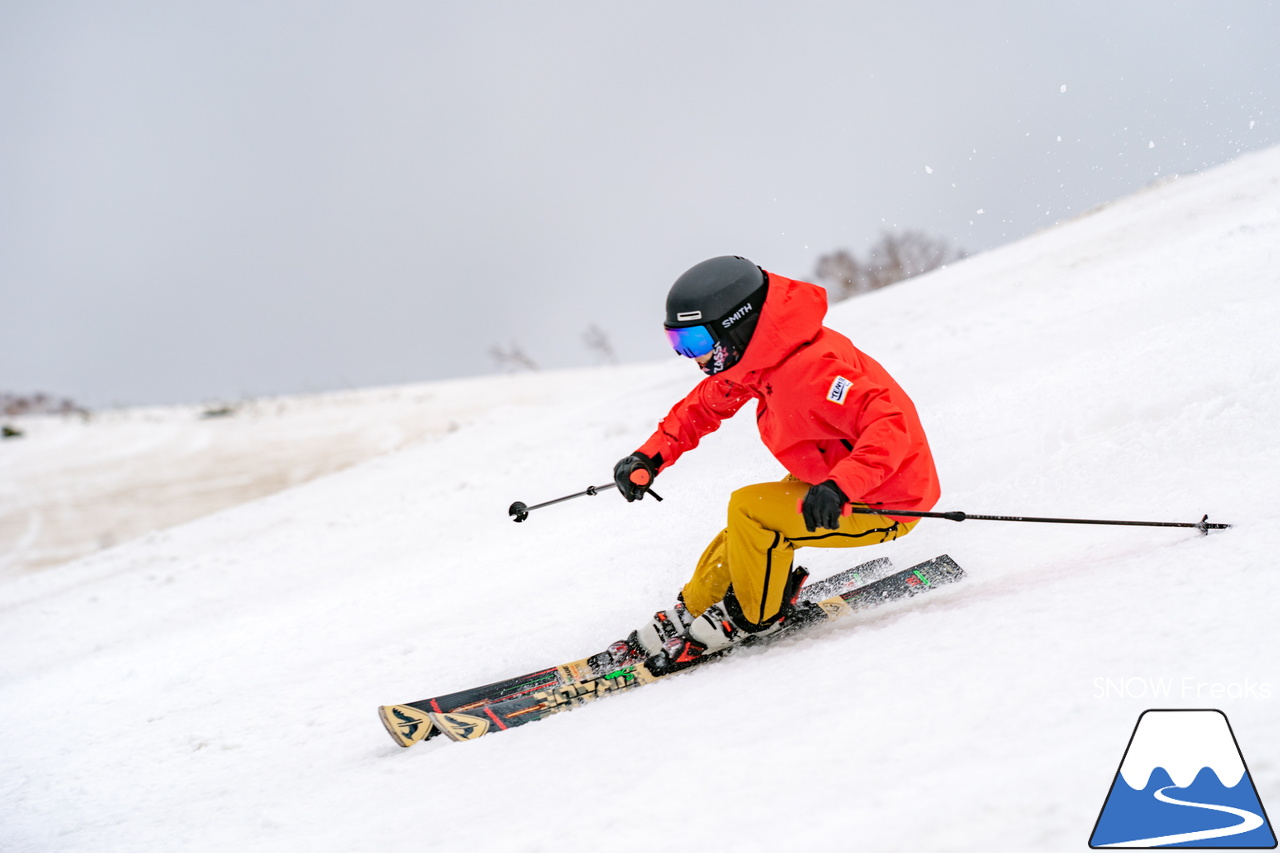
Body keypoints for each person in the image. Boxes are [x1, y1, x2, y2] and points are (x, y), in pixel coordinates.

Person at [613, 255, 941, 673]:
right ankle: (698, 606)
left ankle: (755, 617)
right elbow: (703, 407)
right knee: (743, 529)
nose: (691, 358)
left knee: (752, 512)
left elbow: (889, 423)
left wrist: (843, 486)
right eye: (678, 344)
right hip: (832, 479)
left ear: (738, 324)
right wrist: (651, 456)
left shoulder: (815, 368)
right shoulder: (759, 359)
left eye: (695, 342)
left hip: (884, 497)